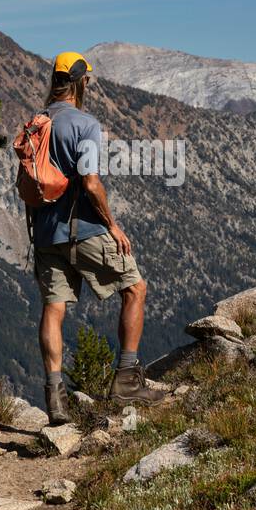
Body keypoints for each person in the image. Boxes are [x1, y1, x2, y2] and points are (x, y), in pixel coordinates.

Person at [32, 51, 159, 424]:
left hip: (44, 234)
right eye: (86, 79)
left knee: (53, 309)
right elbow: (90, 182)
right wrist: (112, 225)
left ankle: (54, 399)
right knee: (135, 288)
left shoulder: (37, 123)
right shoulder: (85, 124)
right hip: (83, 229)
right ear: (80, 83)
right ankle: (127, 378)